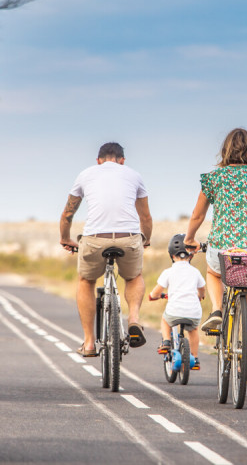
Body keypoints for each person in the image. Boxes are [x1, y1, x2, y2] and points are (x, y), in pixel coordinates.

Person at [183, 128, 247, 382]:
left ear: (225, 150)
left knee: (214, 273)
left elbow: (197, 215)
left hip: (222, 249)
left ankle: (216, 309)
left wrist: (189, 238)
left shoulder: (214, 178)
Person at [59, 142, 153, 357]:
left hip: (94, 240)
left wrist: (65, 238)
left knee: (86, 280)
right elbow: (145, 217)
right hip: (128, 238)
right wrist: (145, 240)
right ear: (122, 161)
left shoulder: (85, 174)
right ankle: (134, 320)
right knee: (134, 276)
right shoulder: (134, 175)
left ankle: (89, 343)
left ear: (98, 161)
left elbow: (67, 214)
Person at [148, 234, 206, 370]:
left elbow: (156, 292)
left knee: (165, 320)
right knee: (193, 330)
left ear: (172, 256)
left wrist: (153, 296)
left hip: (174, 311)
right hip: (193, 311)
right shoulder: (195, 271)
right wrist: (200, 296)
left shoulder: (168, 272)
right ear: (191, 256)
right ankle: (195, 358)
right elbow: (202, 290)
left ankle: (167, 342)